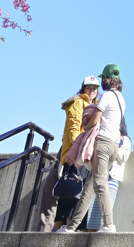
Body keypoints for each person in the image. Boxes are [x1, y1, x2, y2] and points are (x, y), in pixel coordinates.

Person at [62, 63, 126, 234]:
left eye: (102, 78)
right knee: (90, 186)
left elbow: (94, 121)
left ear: (106, 79)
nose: (101, 81)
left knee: (99, 182)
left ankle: (109, 225)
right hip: (113, 145)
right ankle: (71, 227)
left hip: (103, 143)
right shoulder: (121, 98)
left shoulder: (106, 96)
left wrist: (87, 123)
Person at [38, 76, 100, 233]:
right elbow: (73, 128)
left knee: (73, 193)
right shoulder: (78, 102)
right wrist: (76, 152)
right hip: (75, 153)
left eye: (95, 88)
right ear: (83, 89)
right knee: (64, 192)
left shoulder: (96, 106)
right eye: (89, 88)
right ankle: (49, 231)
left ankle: (60, 230)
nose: (92, 91)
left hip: (83, 153)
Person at [85, 133, 132, 231]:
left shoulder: (125, 139)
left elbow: (124, 156)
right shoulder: (102, 134)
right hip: (98, 179)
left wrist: (111, 147)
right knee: (91, 220)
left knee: (104, 216)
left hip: (112, 180)